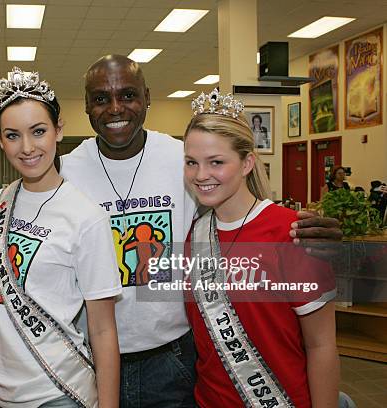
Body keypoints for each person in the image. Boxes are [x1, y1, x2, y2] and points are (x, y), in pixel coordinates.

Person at [60, 54, 343, 407]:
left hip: (174, 358)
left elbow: (244, 216)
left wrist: (323, 241)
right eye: (101, 99)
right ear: (86, 105)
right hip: (92, 357)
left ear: (147, 97)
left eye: (128, 95)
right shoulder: (63, 172)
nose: (115, 108)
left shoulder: (181, 155)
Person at [182, 89, 339, 407]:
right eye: (191, 162)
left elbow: (321, 345)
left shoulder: (293, 233)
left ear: (247, 163)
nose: (201, 175)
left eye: (216, 162)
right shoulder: (195, 235)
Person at [0, 67, 121, 407]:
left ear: (58, 131)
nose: (26, 148)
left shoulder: (87, 217)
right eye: (12, 135)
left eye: (38, 131)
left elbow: (103, 330)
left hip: (57, 392)